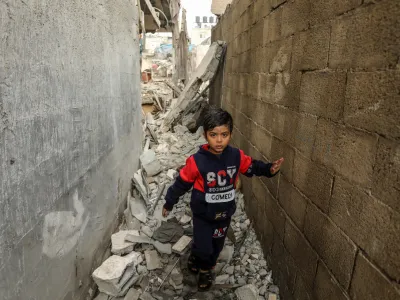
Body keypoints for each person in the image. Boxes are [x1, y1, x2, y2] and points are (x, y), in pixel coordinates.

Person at [162, 107, 284, 291]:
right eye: (213, 135)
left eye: (224, 134)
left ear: (231, 134)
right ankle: (198, 257)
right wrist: (169, 202)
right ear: (205, 135)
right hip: (203, 214)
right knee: (203, 245)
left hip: (224, 215)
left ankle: (205, 270)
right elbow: (181, 183)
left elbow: (251, 166)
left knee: (216, 246)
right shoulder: (197, 161)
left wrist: (268, 169)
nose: (219, 140)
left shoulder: (235, 156)